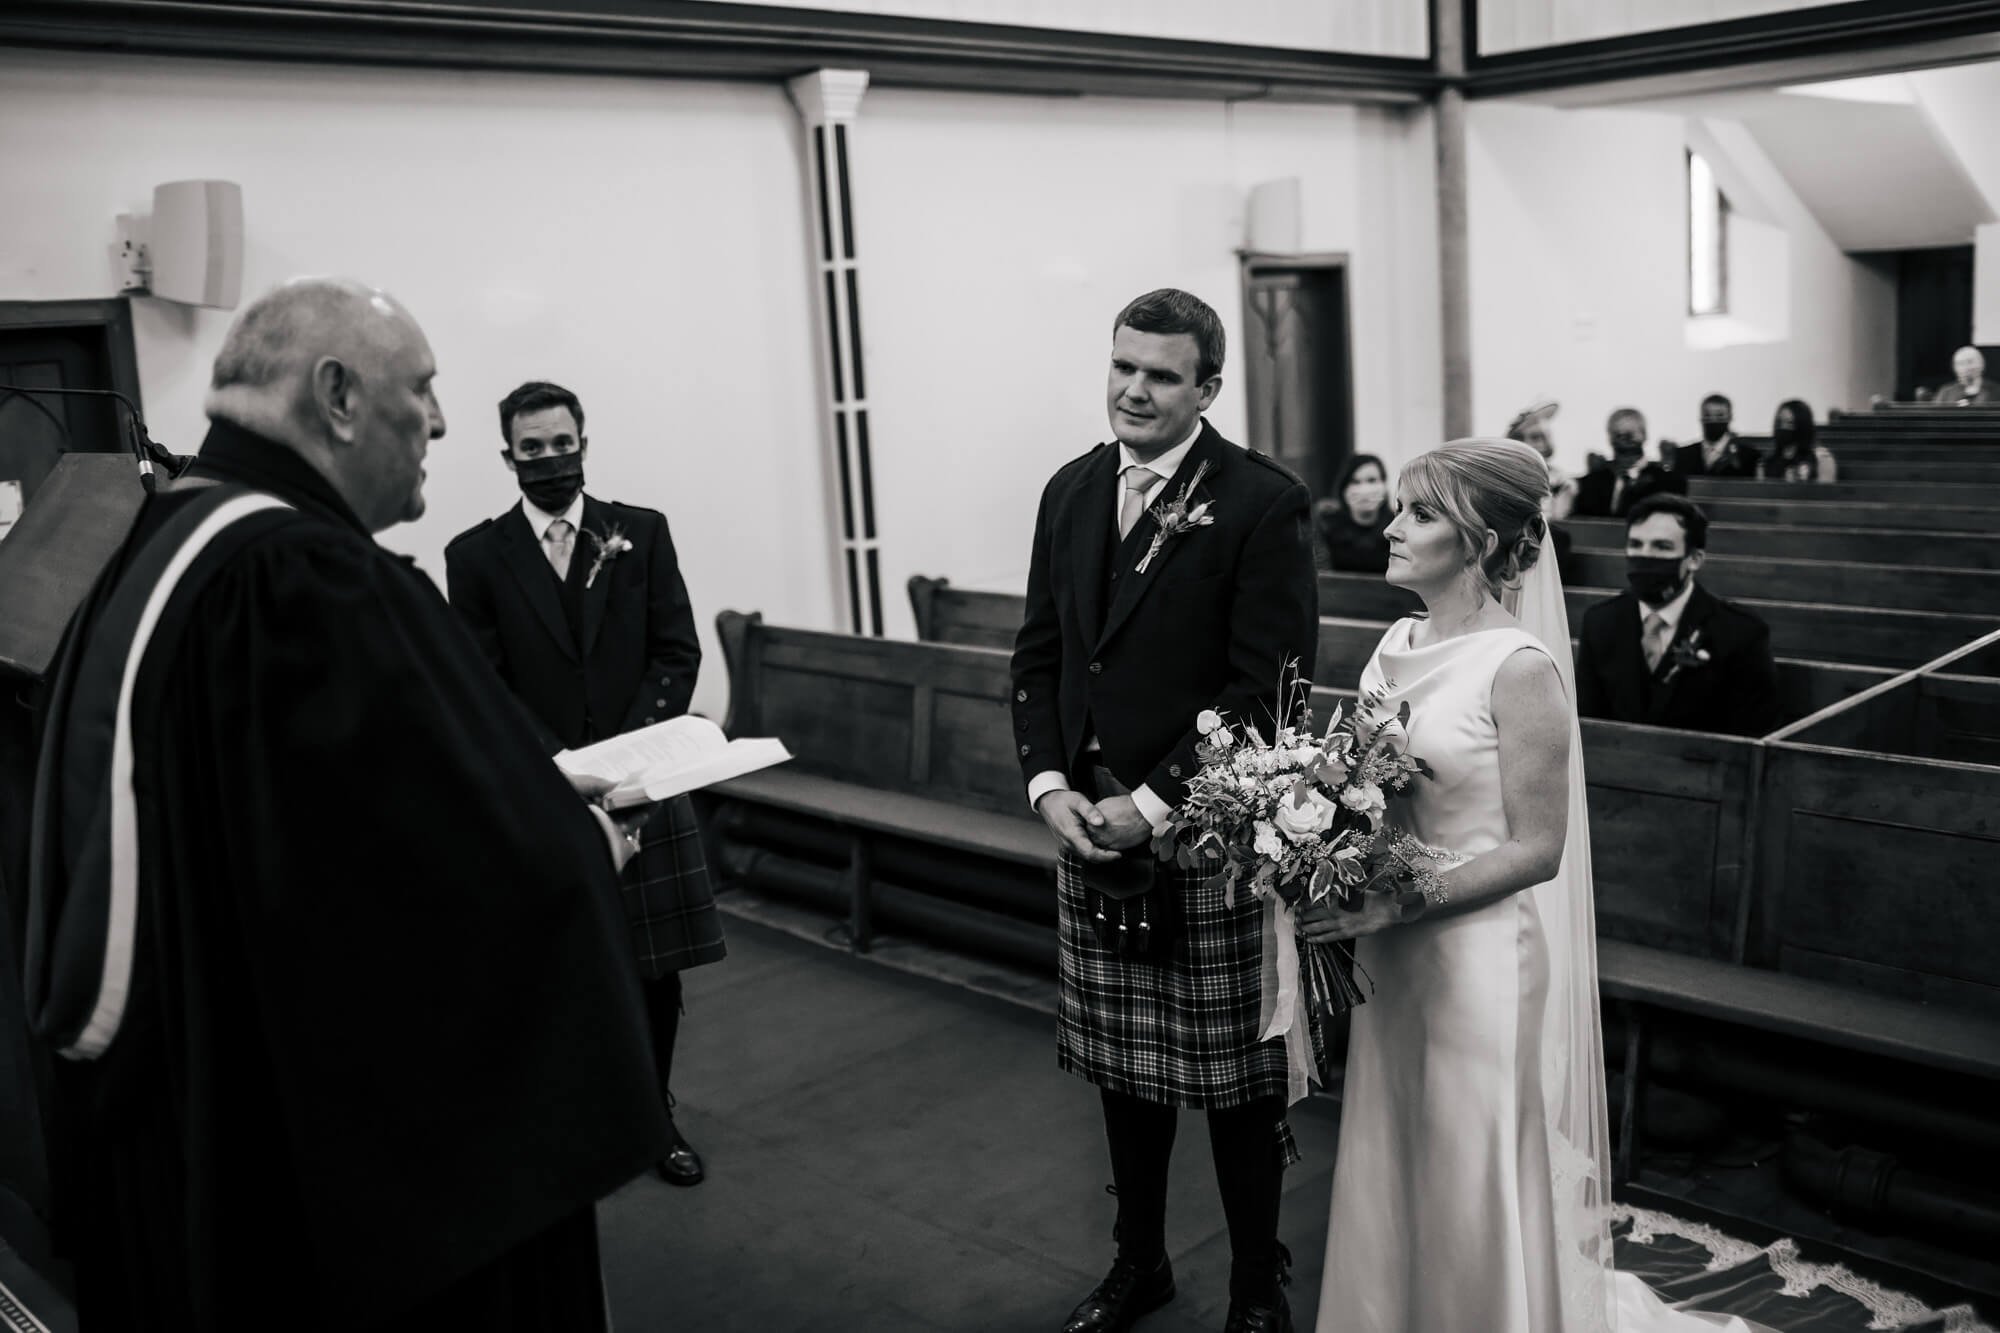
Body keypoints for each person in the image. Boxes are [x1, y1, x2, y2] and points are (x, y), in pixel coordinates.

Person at [23, 279, 669, 1331]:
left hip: (192, 1111)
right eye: (420, 389)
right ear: (336, 396)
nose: (443, 421)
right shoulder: (304, 582)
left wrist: (515, 792)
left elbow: (333, 829)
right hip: (334, 1176)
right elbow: (438, 894)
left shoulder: (165, 537)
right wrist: (583, 839)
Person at [1300, 438, 1771, 1333]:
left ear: (1477, 537)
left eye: (1421, 513)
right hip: (1391, 946)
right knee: (1393, 1144)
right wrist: (1313, 840)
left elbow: (1539, 849)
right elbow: (1361, 786)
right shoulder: (1393, 643)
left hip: (1477, 955)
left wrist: (1403, 898)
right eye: (1399, 506)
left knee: (1473, 1164)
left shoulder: (1519, 668)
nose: (1392, 527)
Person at [1011, 288, 1318, 1333]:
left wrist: (1150, 803)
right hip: (1089, 830)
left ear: (1207, 388)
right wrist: (1049, 785)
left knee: (1236, 1085)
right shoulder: (1068, 488)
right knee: (1121, 1075)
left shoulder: (1258, 502)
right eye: (1121, 366)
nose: (1132, 389)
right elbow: (1042, 654)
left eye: (1159, 374)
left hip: (1206, 835)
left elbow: (1267, 689)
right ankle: (1137, 1261)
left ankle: (1252, 1286)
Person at [445, 380, 720, 1188]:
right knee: (564, 960)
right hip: (544, 788)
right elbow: (482, 680)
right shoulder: (476, 555)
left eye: (561, 443)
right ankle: (582, 1110)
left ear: (584, 443)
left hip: (643, 780)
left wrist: (631, 752)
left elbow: (678, 651)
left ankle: (653, 1115)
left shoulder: (639, 532)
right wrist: (561, 762)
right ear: (508, 458)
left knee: (653, 964)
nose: (549, 459)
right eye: (531, 449)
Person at [1575, 494, 1779, 738]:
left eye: (1662, 547)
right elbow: (1587, 722)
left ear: (1694, 559)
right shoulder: (1600, 622)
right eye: (1636, 545)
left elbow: (1751, 734)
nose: (1645, 556)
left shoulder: (1741, 632)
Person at [1571, 408, 1684, 518]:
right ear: (1610, 438)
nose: (1624, 439)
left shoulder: (1668, 482)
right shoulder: (1590, 483)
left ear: (1644, 435)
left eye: (1630, 435)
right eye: (1618, 435)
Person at [1313, 453, 1392, 573]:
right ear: (1344, 489)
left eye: (1372, 480)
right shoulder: (1326, 525)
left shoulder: (1396, 526)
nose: (1364, 489)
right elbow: (1323, 575)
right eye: (1355, 482)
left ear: (1384, 485)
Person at [1505, 398, 1576, 520]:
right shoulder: (1507, 477)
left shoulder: (1561, 481)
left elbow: (1558, 520)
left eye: (1544, 437)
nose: (1541, 444)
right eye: (1534, 437)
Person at [1670, 394, 1760, 477]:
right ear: (1701, 418)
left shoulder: (1748, 456)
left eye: (1720, 416)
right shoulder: (1684, 455)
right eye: (1707, 416)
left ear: (1730, 417)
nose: (1713, 420)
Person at [1762, 399, 1838, 483]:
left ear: (1802, 426)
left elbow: (1825, 492)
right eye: (1780, 422)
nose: (1783, 427)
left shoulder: (1822, 459)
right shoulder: (1770, 458)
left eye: (1790, 423)